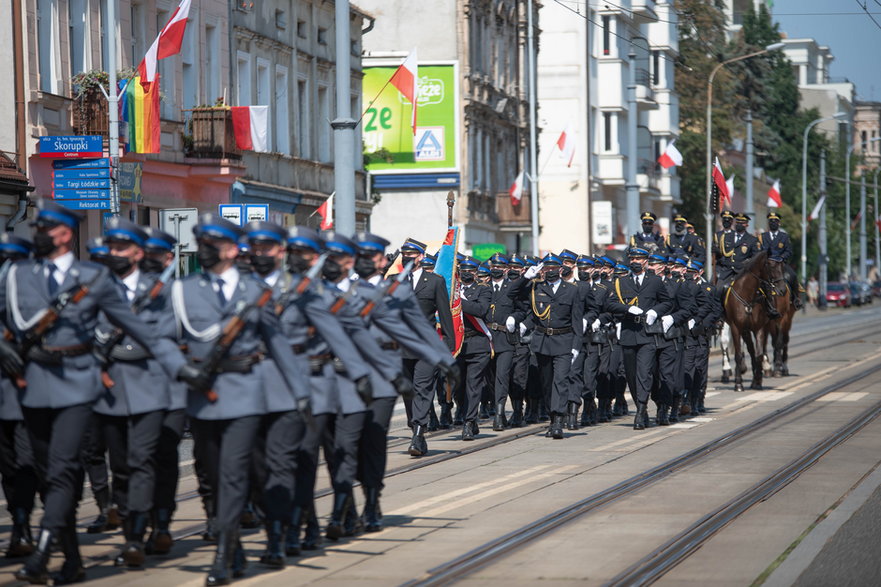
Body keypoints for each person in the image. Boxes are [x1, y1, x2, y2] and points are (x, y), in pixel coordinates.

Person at [1, 200, 173, 584]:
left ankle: (43, 552)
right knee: (50, 476)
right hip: (33, 385)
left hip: (77, 380)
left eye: (44, 229)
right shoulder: (16, 274)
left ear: (63, 234)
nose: (37, 234)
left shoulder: (91, 276)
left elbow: (138, 327)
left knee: (63, 469)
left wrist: (185, 371)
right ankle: (75, 561)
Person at [170, 214, 305, 586]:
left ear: (230, 249)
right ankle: (238, 548)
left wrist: (301, 393)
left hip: (246, 391)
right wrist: (181, 369)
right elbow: (163, 338)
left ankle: (225, 553)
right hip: (202, 393)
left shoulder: (254, 291)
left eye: (213, 245)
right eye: (202, 245)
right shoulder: (183, 289)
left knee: (234, 473)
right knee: (212, 472)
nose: (205, 252)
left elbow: (277, 343)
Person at [92, 218, 182, 569]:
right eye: (111, 248)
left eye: (121, 248)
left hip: (156, 384)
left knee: (152, 459)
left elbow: (169, 335)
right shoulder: (96, 288)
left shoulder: (165, 292)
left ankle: (145, 530)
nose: (115, 254)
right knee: (123, 465)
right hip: (110, 389)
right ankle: (134, 521)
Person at [393, 238, 456, 457]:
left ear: (421, 257)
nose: (407, 258)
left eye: (411, 255)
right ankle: (415, 425)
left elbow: (445, 315)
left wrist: (449, 345)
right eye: (404, 255)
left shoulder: (435, 281)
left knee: (423, 388)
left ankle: (418, 434)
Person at [509, 254, 583, 439]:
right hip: (543, 342)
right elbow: (510, 294)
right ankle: (552, 416)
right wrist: (525, 277)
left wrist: (576, 346)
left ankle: (558, 419)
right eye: (546, 269)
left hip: (564, 340)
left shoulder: (572, 290)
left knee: (561, 381)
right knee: (547, 383)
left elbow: (577, 321)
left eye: (553, 268)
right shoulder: (535, 288)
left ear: (560, 269)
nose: (550, 272)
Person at [0, 234, 39, 559]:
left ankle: (28, 524)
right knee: (8, 466)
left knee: (29, 462)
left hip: (34, 391)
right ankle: (19, 521)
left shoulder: (38, 295)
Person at [603, 247, 672, 430]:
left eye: (639, 258)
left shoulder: (655, 281)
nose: (635, 261)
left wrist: (654, 312)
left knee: (644, 372)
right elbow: (609, 303)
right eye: (632, 258)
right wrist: (626, 309)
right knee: (631, 375)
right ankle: (640, 403)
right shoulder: (621, 282)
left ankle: (641, 410)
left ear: (645, 261)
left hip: (647, 334)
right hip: (628, 333)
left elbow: (667, 302)